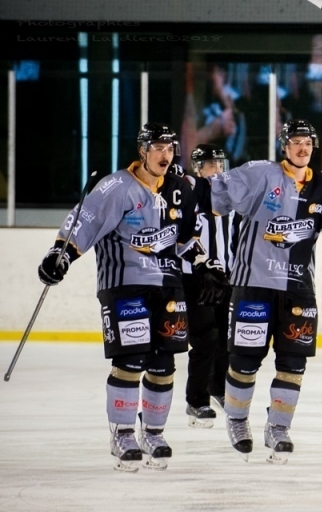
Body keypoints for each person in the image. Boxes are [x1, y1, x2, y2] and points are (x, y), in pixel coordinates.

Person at [37, 123, 228, 472]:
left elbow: (184, 238)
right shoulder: (115, 187)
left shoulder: (179, 189)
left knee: (163, 364)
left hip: (168, 286)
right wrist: (60, 254)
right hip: (124, 283)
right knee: (130, 360)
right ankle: (123, 433)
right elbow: (85, 224)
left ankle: (153, 432)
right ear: (142, 150)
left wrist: (204, 266)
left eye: (170, 148)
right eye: (157, 147)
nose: (165, 155)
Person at [208, 119, 322, 464]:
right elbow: (215, 195)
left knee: (293, 363)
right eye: (295, 142)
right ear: (284, 146)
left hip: (298, 289)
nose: (302, 148)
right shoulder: (260, 173)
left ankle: (278, 428)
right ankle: (237, 421)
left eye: (307, 142)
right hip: (254, 284)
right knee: (245, 362)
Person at [173, 144, 237, 428]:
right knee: (205, 339)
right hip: (194, 276)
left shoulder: (232, 199)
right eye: (211, 165)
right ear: (198, 168)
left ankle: (218, 390)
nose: (218, 170)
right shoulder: (188, 193)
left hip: (225, 277)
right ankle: (196, 400)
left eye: (220, 164)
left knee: (226, 339)